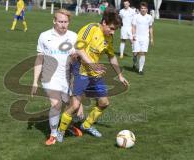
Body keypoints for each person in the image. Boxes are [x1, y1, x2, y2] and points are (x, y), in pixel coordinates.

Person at [56, 7, 129, 142]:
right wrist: (93, 65)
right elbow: (79, 48)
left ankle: (86, 125)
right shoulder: (90, 28)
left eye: (115, 30)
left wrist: (120, 75)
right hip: (80, 71)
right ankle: (60, 131)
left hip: (94, 73)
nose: (113, 32)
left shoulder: (109, 38)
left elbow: (111, 56)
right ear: (104, 23)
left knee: (104, 102)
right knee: (75, 106)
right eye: (111, 28)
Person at [31, 9, 83, 146]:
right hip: (49, 77)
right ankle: (53, 135)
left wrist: (75, 57)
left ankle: (66, 126)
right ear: (54, 21)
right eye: (60, 21)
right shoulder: (44, 36)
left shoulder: (73, 36)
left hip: (67, 77)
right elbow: (39, 59)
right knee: (56, 104)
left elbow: (77, 62)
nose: (63, 24)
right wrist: (35, 81)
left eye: (66, 22)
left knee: (71, 106)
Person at [132, 2, 154, 75]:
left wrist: (151, 39)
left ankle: (140, 70)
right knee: (136, 53)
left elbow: (150, 28)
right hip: (137, 37)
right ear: (140, 9)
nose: (143, 9)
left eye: (144, 8)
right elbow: (133, 27)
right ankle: (134, 63)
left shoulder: (150, 17)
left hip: (145, 38)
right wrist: (133, 35)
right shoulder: (136, 16)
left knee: (143, 53)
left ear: (147, 9)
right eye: (142, 8)